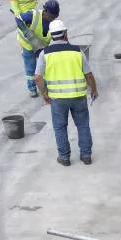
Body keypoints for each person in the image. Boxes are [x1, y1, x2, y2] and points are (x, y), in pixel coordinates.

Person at [34, 20, 99, 166]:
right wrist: (94, 89)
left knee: (60, 127)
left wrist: (44, 94)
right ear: (65, 33)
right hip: (78, 97)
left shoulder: (45, 54)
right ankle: (86, 155)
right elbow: (88, 74)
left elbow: (37, 77)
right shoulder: (77, 51)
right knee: (83, 125)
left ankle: (64, 158)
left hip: (58, 99)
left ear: (51, 35)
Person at [15, 0, 59, 98]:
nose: (52, 18)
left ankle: (46, 87)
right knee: (31, 68)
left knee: (45, 67)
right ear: (46, 11)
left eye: (55, 16)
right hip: (28, 45)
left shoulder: (54, 22)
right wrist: (26, 32)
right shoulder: (33, 15)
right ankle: (32, 89)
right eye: (51, 16)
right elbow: (18, 18)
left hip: (42, 46)